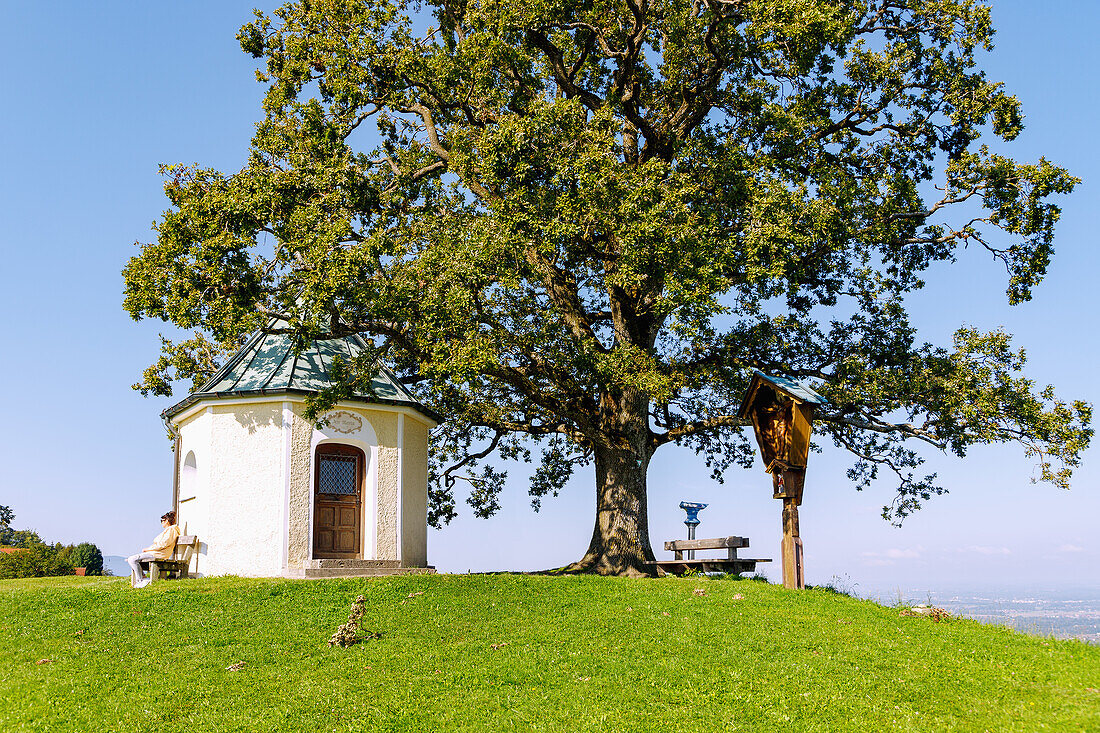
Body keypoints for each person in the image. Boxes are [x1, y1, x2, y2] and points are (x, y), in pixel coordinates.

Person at [127, 511, 180, 588]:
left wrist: (148, 549)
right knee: (131, 559)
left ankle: (141, 580)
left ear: (167, 521)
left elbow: (163, 544)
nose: (161, 523)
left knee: (132, 559)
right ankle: (143, 578)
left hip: (159, 554)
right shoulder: (169, 530)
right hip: (157, 552)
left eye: (162, 521)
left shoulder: (171, 530)